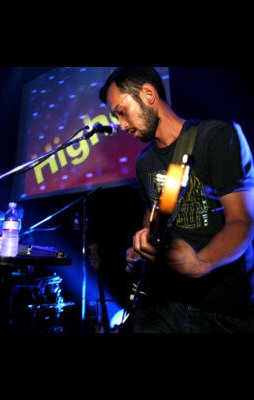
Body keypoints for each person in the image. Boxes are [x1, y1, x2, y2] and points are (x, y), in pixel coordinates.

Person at [98, 67, 254, 333]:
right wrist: (141, 248)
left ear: (148, 94)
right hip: (161, 302)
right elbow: (153, 213)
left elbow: (243, 222)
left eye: (121, 112)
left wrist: (201, 262)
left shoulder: (218, 135)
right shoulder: (143, 161)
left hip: (219, 309)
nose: (121, 125)